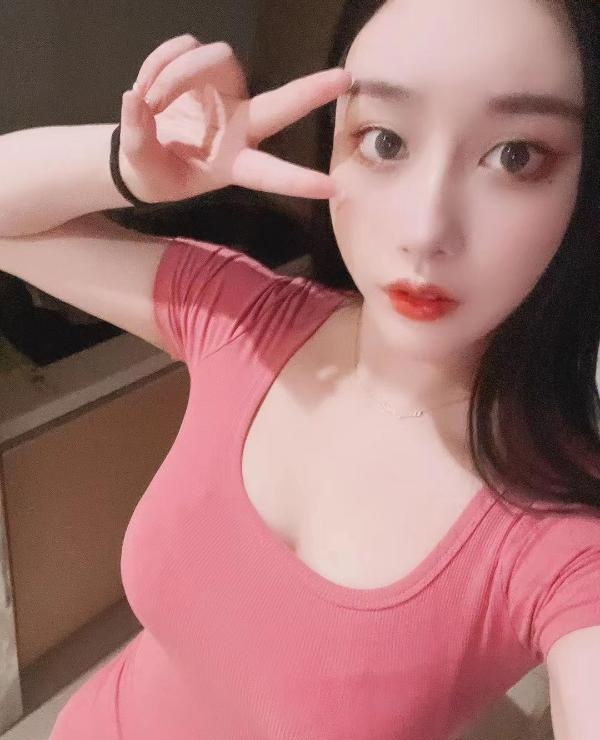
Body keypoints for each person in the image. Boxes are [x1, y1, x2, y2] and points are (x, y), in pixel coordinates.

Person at [1, 0, 599, 738]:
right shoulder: (251, 319)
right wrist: (132, 168)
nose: (424, 231)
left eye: (516, 157)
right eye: (384, 140)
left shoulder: (562, 537)